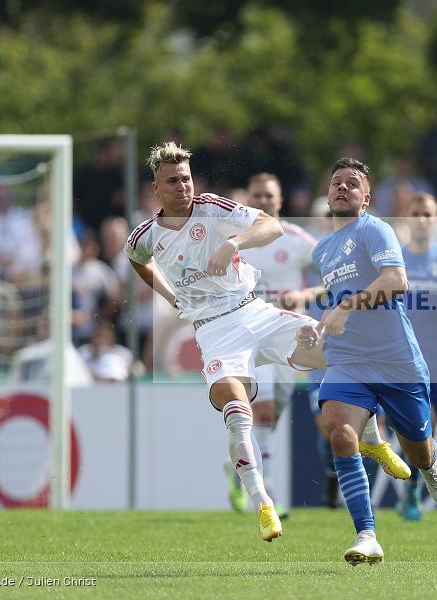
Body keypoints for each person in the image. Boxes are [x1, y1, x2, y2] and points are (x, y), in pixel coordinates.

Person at [125, 141, 323, 542]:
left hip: (255, 311)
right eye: (173, 181)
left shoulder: (212, 207)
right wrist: (169, 295)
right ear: (156, 188)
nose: (183, 186)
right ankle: (263, 503)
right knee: (239, 412)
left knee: (331, 347)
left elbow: (272, 225)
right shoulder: (144, 236)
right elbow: (137, 261)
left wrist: (232, 243)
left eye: (186, 178)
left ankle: (372, 437)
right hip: (215, 332)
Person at [310, 157, 437, 564]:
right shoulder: (322, 249)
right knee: (338, 433)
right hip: (347, 361)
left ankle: (430, 460)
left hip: (396, 363)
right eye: (336, 182)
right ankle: (367, 534)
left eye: (352, 184)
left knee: (418, 453)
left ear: (366, 198)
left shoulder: (375, 229)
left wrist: (347, 306)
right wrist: (321, 323)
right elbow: (338, 302)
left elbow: (396, 281)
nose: (342, 188)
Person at [227, 172, 323, 515]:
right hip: (250, 335)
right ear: (248, 202)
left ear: (280, 201)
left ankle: (240, 464)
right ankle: (265, 494)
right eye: (257, 196)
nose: (263, 201)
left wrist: (304, 294)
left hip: (289, 338)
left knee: (270, 415)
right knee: (262, 410)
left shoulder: (298, 241)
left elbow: (334, 278)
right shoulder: (235, 240)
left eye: (269, 195)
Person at [397, 192, 437, 520]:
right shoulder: (395, 256)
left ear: (436, 220)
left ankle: (410, 491)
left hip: (434, 358)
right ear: (408, 217)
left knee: (427, 427)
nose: (422, 219)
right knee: (391, 423)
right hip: (397, 355)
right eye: (416, 212)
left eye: (428, 213)